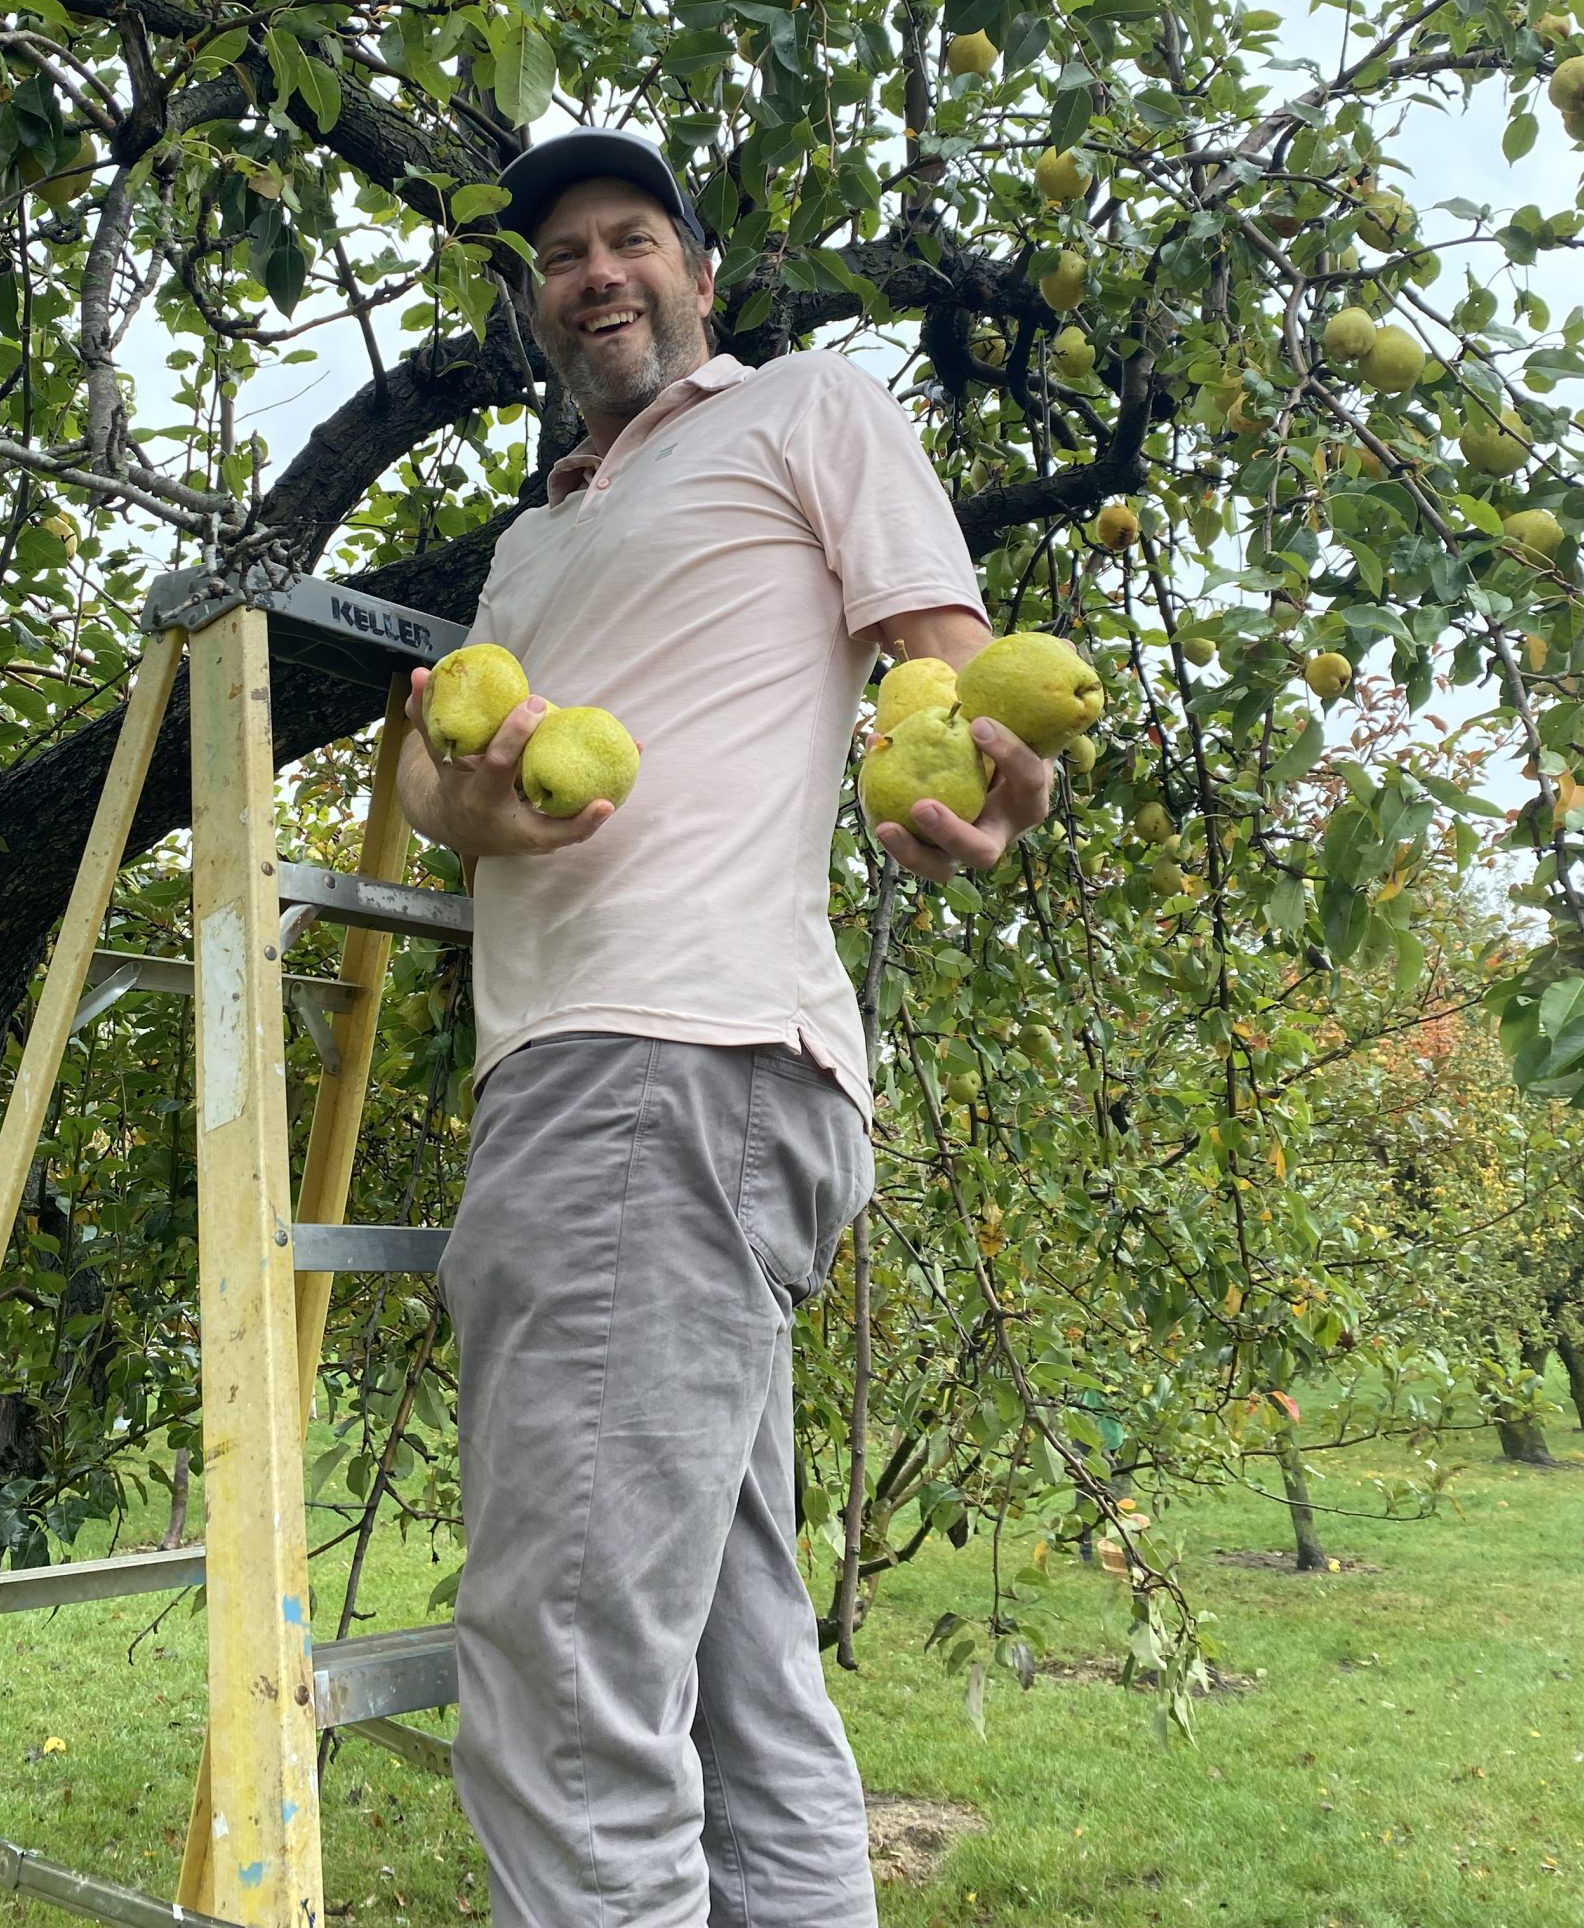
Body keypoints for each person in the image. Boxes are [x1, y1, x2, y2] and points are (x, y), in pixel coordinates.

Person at [395, 128, 1052, 1928]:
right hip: (632, 1086)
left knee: (561, 1678)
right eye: (560, 258)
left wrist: (999, 779)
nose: (596, 274)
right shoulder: (532, 545)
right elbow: (438, 782)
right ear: (535, 307)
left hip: (658, 1063)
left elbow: (947, 671)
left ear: (697, 270)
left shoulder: (807, 412)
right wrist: (490, 817)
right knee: (734, 1672)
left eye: (630, 240)